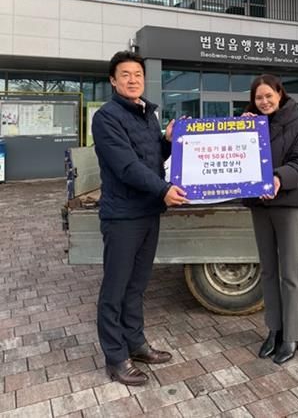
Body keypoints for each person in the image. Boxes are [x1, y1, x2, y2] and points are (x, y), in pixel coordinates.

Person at [92, 50, 188, 386]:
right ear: (113, 80)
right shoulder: (106, 118)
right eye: (126, 75)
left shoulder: (147, 113)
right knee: (115, 289)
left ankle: (136, 344)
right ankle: (116, 357)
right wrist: (164, 190)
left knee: (136, 286)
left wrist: (167, 142)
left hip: (148, 212)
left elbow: (151, 157)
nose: (133, 80)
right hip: (122, 216)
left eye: (138, 74)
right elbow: (127, 166)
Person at [243, 74, 298, 364]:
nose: (264, 102)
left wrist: (278, 178)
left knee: (289, 271)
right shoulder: (249, 124)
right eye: (259, 97)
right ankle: (274, 329)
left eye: (268, 96)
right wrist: (239, 130)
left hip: (287, 202)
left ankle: (293, 335)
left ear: (279, 94)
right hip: (259, 204)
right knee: (268, 271)